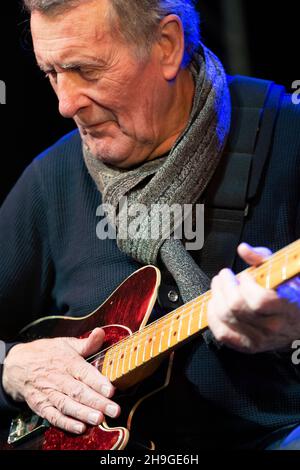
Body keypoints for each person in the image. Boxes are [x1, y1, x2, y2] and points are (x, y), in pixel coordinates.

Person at [0, 0, 300, 451]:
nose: (65, 104)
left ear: (166, 46)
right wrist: (11, 367)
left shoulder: (288, 137)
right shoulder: (51, 181)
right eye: (52, 73)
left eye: (86, 69)